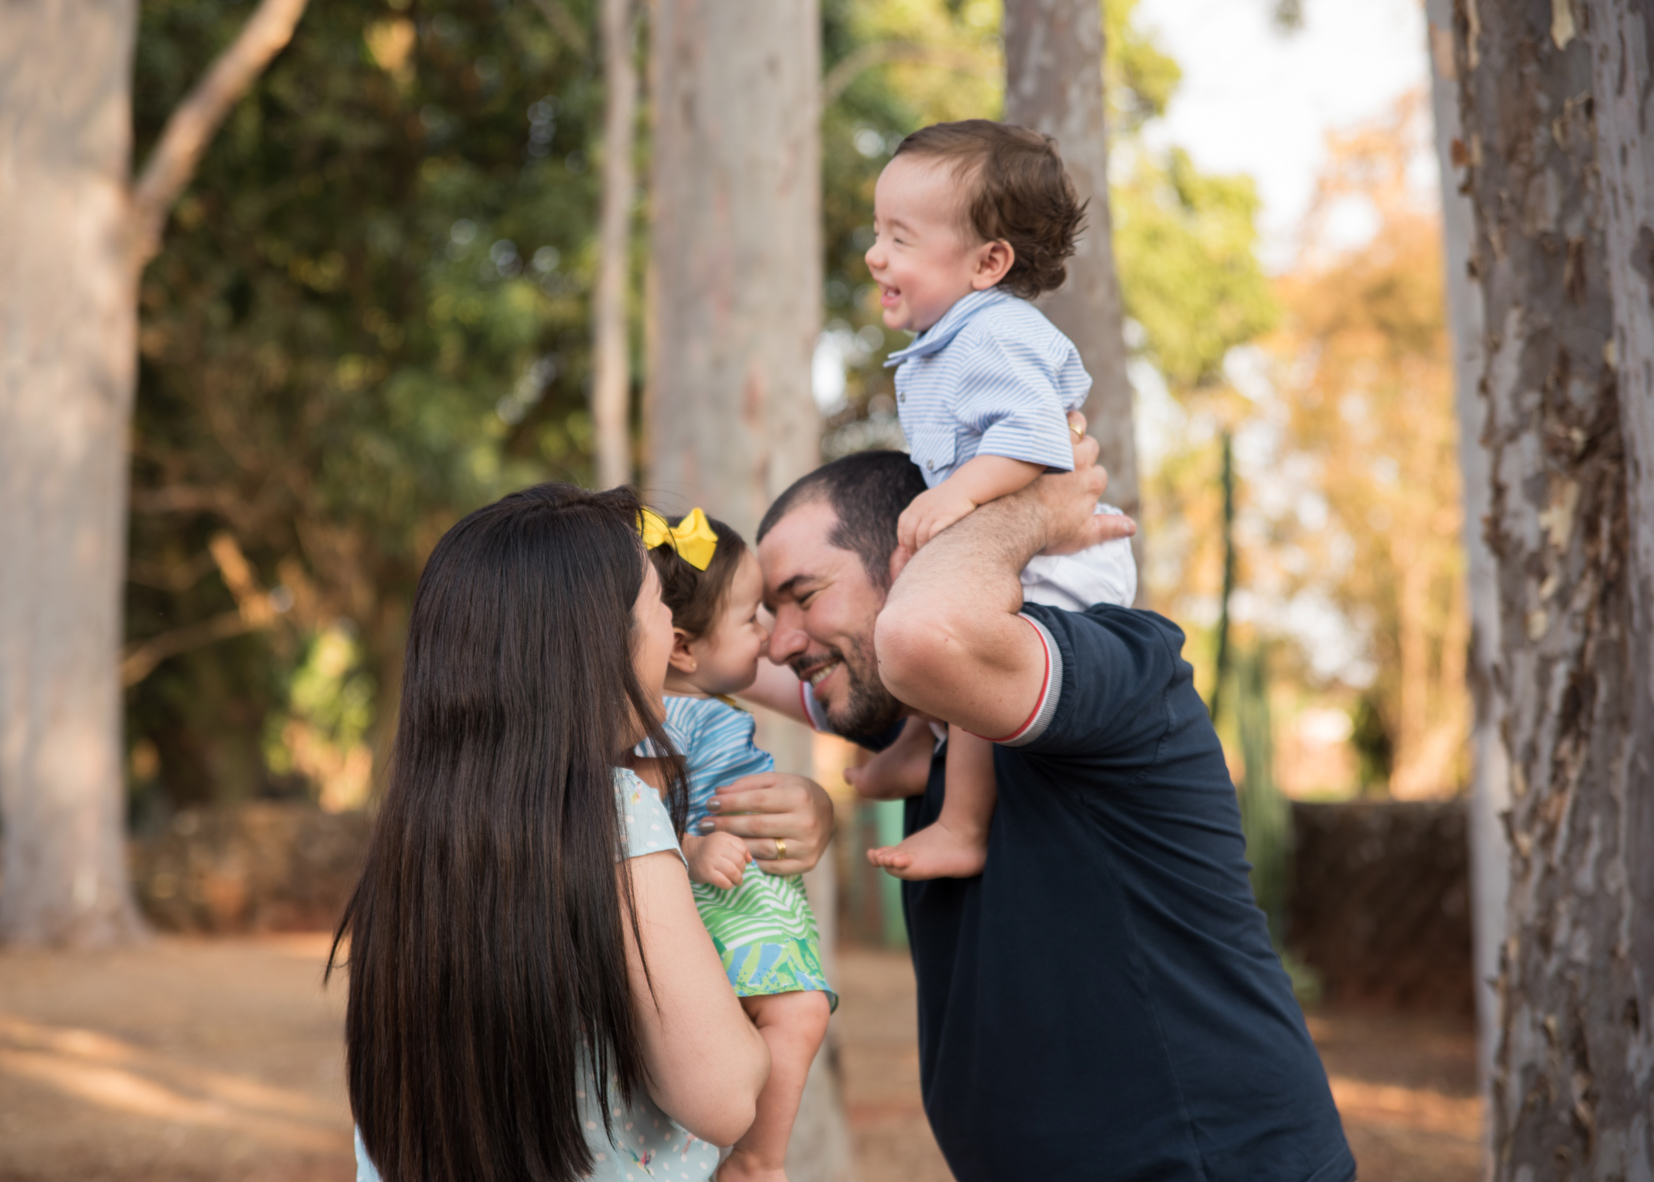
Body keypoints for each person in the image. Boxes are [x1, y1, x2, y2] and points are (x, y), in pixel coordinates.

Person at [746, 441, 1356, 1182]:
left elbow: (919, 637)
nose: (778, 643)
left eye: (803, 596)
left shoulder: (1113, 671)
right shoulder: (923, 724)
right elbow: (719, 659)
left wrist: (1030, 511)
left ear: (917, 560)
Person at [327, 483, 831, 1182]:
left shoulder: (417, 836)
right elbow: (722, 1095)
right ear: (605, 646)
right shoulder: (615, 813)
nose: (674, 628)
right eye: (660, 603)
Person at [856, 119, 1136, 882]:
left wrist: (958, 498)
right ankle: (919, 742)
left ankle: (962, 823)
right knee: (910, 596)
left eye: (901, 239)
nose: (876, 254)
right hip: (1016, 541)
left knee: (955, 638)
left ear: (989, 262)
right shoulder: (951, 338)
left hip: (1060, 563)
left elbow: (1037, 434)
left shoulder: (996, 334)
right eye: (877, 231)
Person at [639, 507, 833, 1182]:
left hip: (748, 899)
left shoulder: (706, 708)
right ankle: (755, 1162)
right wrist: (690, 851)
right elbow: (626, 809)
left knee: (795, 1016)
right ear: (684, 648)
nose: (772, 637)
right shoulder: (664, 720)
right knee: (797, 1013)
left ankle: (751, 1158)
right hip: (716, 900)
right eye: (753, 618)